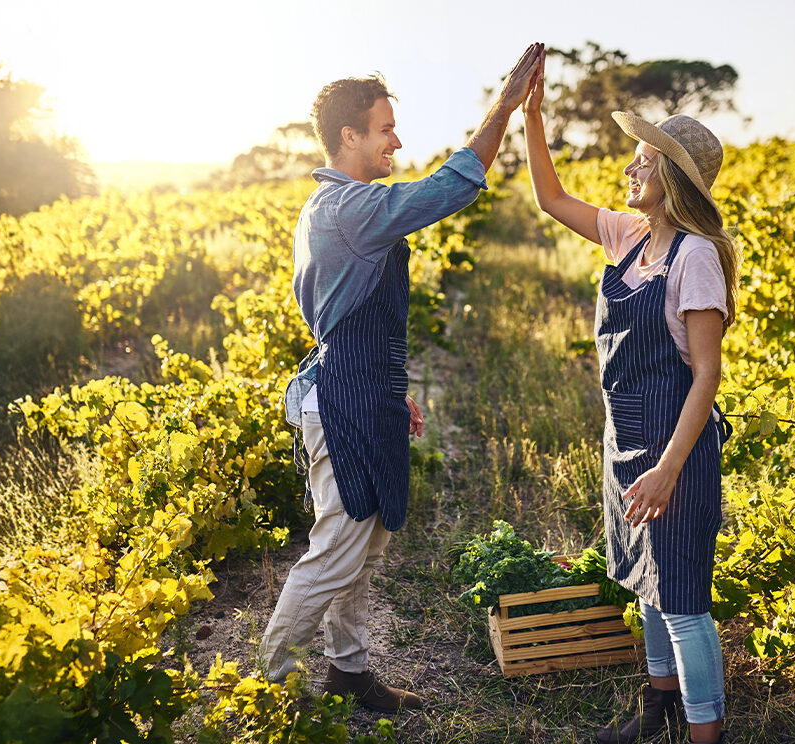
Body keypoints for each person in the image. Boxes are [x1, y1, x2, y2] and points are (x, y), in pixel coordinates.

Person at [260, 43, 545, 713]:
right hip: (344, 399)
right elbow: (448, 188)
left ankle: (349, 672)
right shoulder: (345, 210)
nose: (396, 140)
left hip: (365, 390)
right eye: (385, 128)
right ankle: (265, 686)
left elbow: (360, 314)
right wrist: (503, 107)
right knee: (337, 548)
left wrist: (397, 389)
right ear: (349, 136)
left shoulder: (333, 208)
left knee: (364, 545)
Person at [522, 52, 738, 744]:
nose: (630, 169)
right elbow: (551, 200)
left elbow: (706, 374)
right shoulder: (631, 235)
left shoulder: (697, 255)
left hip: (676, 448)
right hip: (627, 440)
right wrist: (532, 118)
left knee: (682, 603)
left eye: (644, 160)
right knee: (646, 583)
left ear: (671, 176)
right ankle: (657, 711)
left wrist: (670, 467)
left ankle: (706, 736)